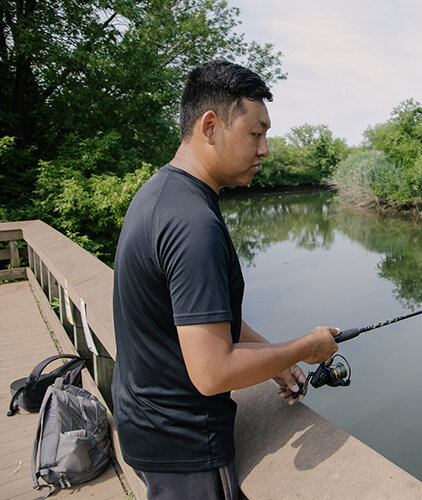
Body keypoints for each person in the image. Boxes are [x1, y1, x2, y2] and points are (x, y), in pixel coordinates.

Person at [111, 60, 339, 500]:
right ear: (211, 126)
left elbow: (205, 321)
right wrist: (308, 348)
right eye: (256, 134)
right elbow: (212, 372)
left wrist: (273, 358)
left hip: (145, 426)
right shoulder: (193, 223)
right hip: (185, 448)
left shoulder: (160, 193)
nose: (265, 149)